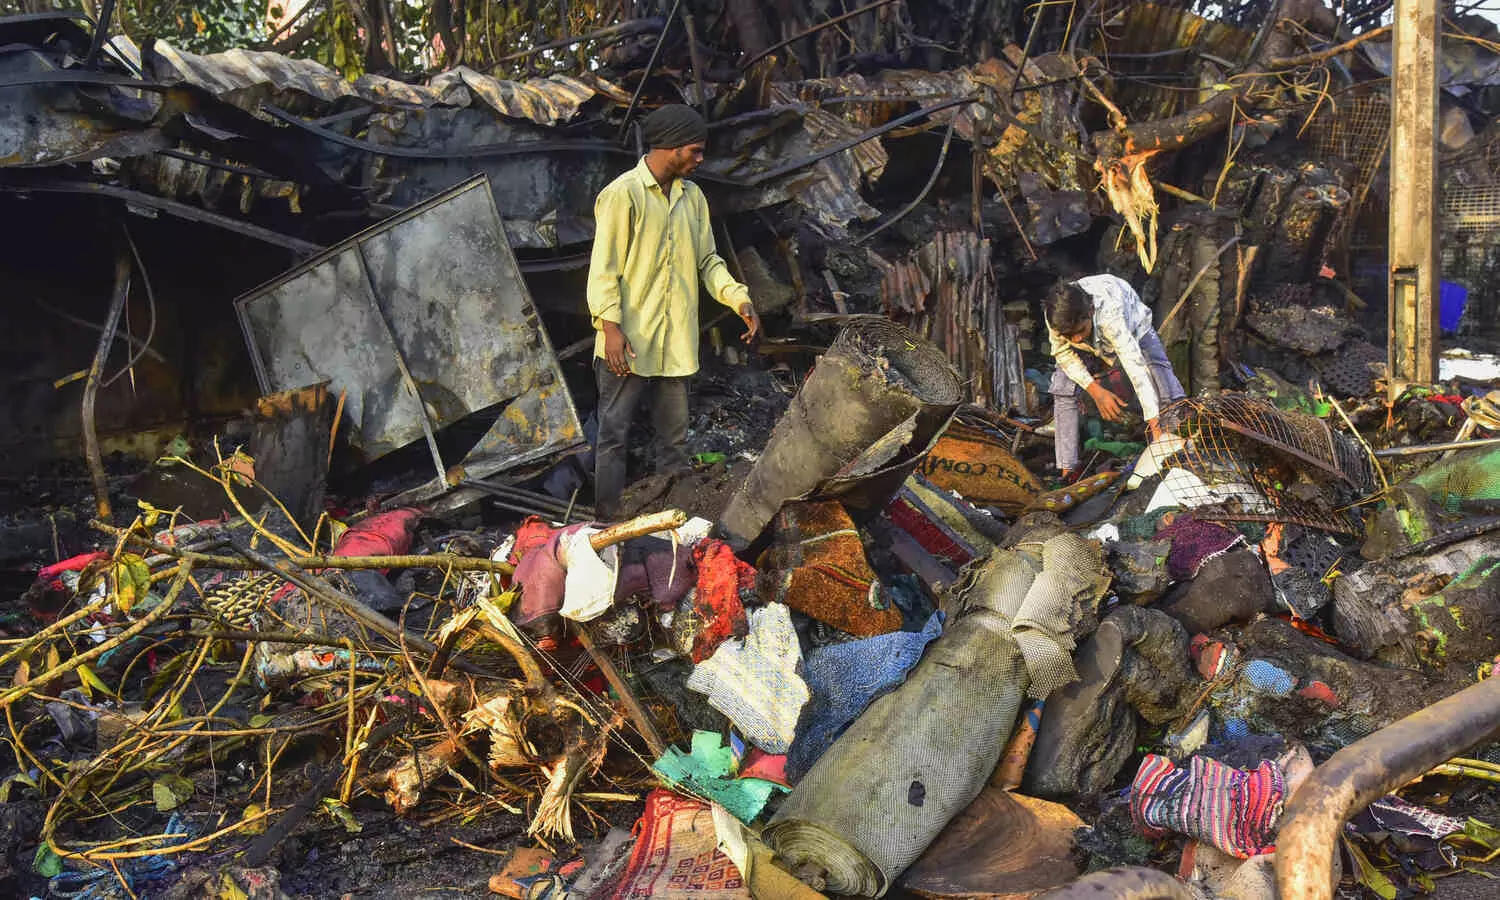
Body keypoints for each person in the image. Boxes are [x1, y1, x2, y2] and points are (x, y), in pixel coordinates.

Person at [586, 104, 761, 518]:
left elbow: (708, 261)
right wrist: (610, 327)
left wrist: (738, 298)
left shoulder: (693, 198)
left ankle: (672, 524)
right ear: (669, 147)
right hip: (626, 343)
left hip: (674, 343)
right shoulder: (622, 195)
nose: (701, 160)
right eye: (695, 151)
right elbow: (603, 270)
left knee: (674, 442)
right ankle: (605, 524)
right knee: (613, 436)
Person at [1045, 274, 1184, 481]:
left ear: (1090, 312)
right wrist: (1095, 391)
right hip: (1089, 347)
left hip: (1135, 329)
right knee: (1063, 388)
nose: (1076, 338)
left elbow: (1135, 368)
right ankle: (1068, 471)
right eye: (1069, 335)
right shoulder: (1056, 316)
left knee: (1163, 382)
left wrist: (1155, 425)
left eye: (1080, 331)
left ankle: (1176, 452)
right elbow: (1063, 353)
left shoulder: (1111, 315)